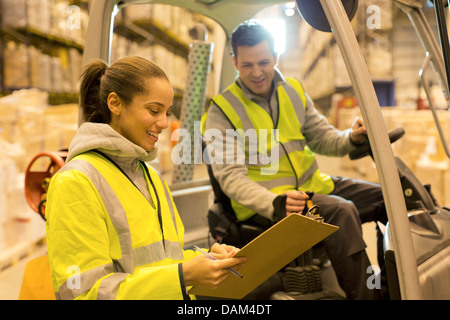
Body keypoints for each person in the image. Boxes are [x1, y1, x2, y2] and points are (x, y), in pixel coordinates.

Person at [202, 21, 388, 300]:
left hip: (311, 189)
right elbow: (231, 177)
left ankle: (389, 283)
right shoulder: (222, 110)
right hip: (268, 204)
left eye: (263, 62)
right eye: (247, 65)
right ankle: (367, 297)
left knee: (389, 198)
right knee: (341, 211)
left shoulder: (293, 91)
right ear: (234, 61)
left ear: (276, 57)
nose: (256, 72)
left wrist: (353, 138)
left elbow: (324, 138)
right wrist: (273, 202)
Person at [45, 56, 245, 300]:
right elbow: (83, 293)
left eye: (167, 112)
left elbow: (162, 260)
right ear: (115, 103)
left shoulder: (149, 175)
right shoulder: (76, 182)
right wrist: (183, 276)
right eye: (154, 110)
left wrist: (204, 260)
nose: (163, 123)